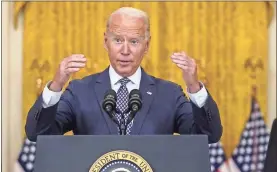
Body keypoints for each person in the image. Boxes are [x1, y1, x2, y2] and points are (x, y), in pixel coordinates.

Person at [25, 7, 222, 143]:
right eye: (118, 40)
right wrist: (56, 86)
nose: (125, 50)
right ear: (105, 41)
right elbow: (38, 134)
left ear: (147, 45)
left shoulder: (169, 94)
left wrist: (195, 87)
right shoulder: (80, 91)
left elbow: (208, 135)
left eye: (134, 42)